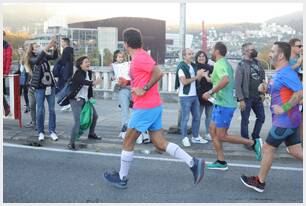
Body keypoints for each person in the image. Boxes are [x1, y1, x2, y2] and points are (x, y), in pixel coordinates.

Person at [104, 28, 205, 189]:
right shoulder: (140, 57)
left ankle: (122, 178)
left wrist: (144, 88)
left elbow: (158, 73)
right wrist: (128, 83)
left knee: (128, 141)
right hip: (153, 106)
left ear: (126, 43)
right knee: (159, 143)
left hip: (145, 107)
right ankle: (193, 163)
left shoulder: (139, 58)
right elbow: (144, 76)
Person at [240, 42, 303, 193]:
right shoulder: (280, 73)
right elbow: (281, 91)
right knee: (295, 151)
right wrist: (266, 88)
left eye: (272, 51)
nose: (269, 54)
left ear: (280, 55)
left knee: (268, 148)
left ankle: (259, 182)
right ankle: (259, 181)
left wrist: (284, 108)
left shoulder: (287, 72)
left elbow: (300, 93)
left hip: (285, 120)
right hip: (290, 120)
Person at [202, 42, 262, 170]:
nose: (211, 52)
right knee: (212, 130)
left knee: (222, 136)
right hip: (219, 103)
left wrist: (210, 92)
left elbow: (225, 80)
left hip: (225, 105)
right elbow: (217, 80)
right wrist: (206, 76)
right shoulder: (222, 64)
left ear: (217, 51)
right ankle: (221, 161)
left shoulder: (221, 64)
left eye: (212, 50)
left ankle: (252, 143)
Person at [111, 50, 149, 144]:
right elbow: (113, 77)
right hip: (122, 89)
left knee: (135, 110)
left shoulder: (128, 65)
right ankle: (125, 130)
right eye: (119, 57)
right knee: (125, 110)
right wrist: (114, 79)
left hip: (133, 89)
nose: (121, 58)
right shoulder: (114, 67)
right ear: (115, 58)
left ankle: (138, 132)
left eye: (122, 56)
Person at [66, 56, 102, 150]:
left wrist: (90, 97)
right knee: (77, 121)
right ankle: (71, 142)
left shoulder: (89, 73)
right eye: (85, 62)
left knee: (95, 116)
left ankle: (91, 133)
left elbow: (89, 87)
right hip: (75, 100)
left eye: (88, 61)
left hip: (85, 100)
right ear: (80, 65)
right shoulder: (78, 73)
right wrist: (94, 82)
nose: (88, 63)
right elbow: (84, 82)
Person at [174, 48, 208, 147]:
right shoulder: (181, 67)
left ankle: (195, 137)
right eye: (189, 54)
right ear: (184, 56)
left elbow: (197, 80)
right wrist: (197, 77)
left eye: (192, 53)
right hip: (185, 96)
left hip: (194, 95)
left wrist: (202, 75)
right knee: (185, 118)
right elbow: (184, 82)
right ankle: (184, 138)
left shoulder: (193, 66)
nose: (192, 55)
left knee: (197, 117)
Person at [235, 43, 266, 149]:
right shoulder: (241, 65)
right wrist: (241, 99)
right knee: (245, 120)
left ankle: (255, 137)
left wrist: (262, 93)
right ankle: (246, 141)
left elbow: (262, 78)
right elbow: (237, 84)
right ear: (245, 52)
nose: (254, 51)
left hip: (258, 97)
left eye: (254, 49)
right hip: (246, 98)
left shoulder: (258, 63)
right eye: (251, 49)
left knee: (261, 117)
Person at [30, 39, 59, 141]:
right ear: (33, 51)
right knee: (40, 110)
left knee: (52, 109)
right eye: (36, 47)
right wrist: (47, 46)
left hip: (50, 86)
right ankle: (41, 132)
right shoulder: (32, 58)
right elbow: (37, 60)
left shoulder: (44, 56)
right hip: (39, 87)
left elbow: (54, 57)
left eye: (39, 46)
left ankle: (52, 131)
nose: (38, 47)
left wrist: (55, 48)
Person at [195, 50, 214, 141]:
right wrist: (202, 75)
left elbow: (214, 80)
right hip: (198, 95)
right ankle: (196, 134)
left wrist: (206, 76)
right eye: (199, 56)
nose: (201, 58)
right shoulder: (194, 67)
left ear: (206, 58)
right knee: (197, 116)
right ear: (196, 58)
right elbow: (195, 82)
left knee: (209, 116)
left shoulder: (211, 68)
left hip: (210, 94)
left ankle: (208, 133)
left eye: (203, 56)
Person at [289, 38, 303, 144]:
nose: (301, 48)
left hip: (300, 92)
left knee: (300, 119)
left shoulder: (301, 58)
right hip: (289, 94)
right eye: (299, 46)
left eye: (301, 46)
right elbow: (285, 72)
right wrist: (298, 64)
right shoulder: (286, 59)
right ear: (292, 47)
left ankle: (300, 142)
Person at [57, 37, 74, 112]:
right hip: (69, 71)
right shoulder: (71, 50)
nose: (61, 43)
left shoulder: (66, 50)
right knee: (67, 87)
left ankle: (67, 104)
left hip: (65, 72)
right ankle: (68, 104)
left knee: (64, 88)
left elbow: (63, 61)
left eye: (62, 42)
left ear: (65, 42)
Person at [23, 43, 38, 129]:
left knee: (39, 106)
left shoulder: (40, 56)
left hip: (39, 85)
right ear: (31, 49)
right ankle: (33, 121)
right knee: (32, 104)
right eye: (36, 47)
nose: (38, 48)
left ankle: (38, 123)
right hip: (32, 84)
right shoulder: (29, 59)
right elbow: (28, 70)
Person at [15, 47, 30, 113]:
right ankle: (18, 106)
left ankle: (28, 106)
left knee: (25, 93)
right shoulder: (20, 59)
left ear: (24, 51)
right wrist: (13, 74)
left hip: (25, 78)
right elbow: (20, 70)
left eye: (21, 50)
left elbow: (27, 70)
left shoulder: (26, 58)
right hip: (21, 78)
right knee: (19, 93)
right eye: (19, 50)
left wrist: (28, 79)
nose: (20, 51)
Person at [3, 31, 12, 116]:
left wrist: (6, 72)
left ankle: (6, 107)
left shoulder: (7, 46)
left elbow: (8, 60)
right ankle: (6, 107)